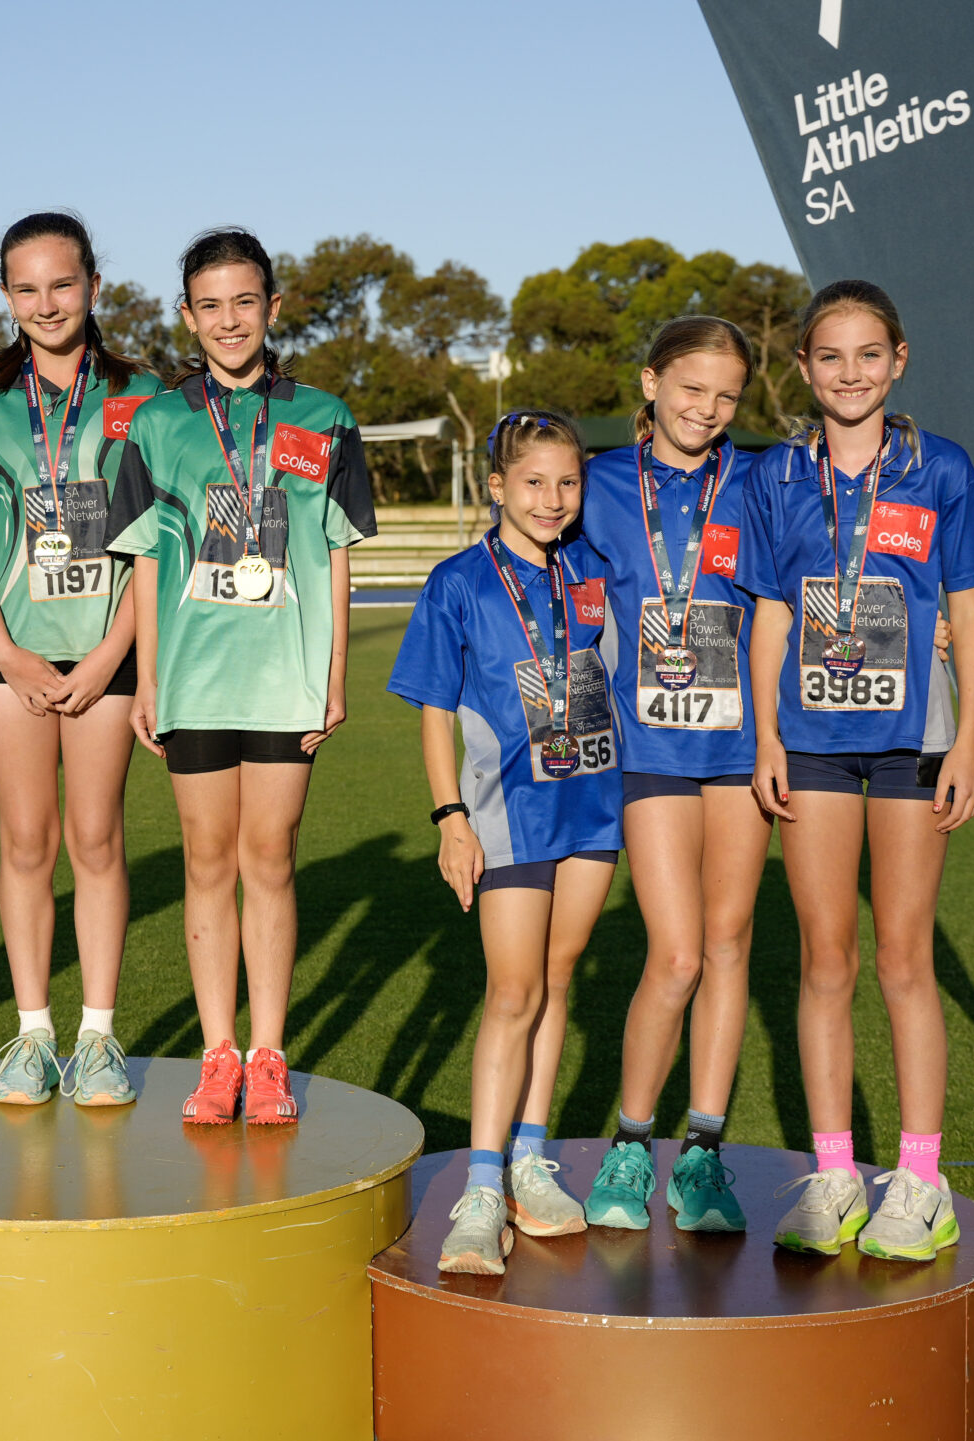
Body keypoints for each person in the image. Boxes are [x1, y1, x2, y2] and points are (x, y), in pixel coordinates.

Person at [739, 279, 974, 1262]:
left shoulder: (942, 468)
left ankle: (920, 1182)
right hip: (808, 742)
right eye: (830, 356)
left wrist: (967, 743)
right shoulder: (775, 474)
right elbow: (769, 611)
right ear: (804, 368)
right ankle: (837, 1171)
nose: (850, 373)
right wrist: (766, 736)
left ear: (899, 360)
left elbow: (968, 613)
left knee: (902, 959)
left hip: (912, 741)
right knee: (824, 959)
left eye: (868, 354)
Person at [108, 228, 377, 1125]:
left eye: (245, 302)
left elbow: (337, 553)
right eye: (211, 305)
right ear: (187, 316)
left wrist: (333, 673)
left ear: (273, 306)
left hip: (283, 677)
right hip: (195, 679)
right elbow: (147, 558)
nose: (230, 321)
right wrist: (148, 680)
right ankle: (217, 1054)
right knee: (207, 859)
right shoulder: (157, 421)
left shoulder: (326, 416)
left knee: (270, 855)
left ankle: (268, 1056)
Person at [0, 213, 162, 1108]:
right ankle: (33, 1036)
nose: (47, 303)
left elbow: (157, 542)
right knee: (26, 840)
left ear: (94, 285)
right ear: (6, 297)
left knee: (96, 838)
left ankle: (97, 1037)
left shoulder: (143, 395)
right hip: (13, 656)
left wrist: (112, 655)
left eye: (63, 283)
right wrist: (6, 652)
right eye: (26, 288)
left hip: (108, 651)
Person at [390, 411, 622, 1272]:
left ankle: (530, 1157)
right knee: (513, 990)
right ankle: (482, 1188)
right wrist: (450, 817)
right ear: (496, 486)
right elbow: (433, 712)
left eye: (567, 482)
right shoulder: (458, 581)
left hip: (593, 805)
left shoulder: (592, 568)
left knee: (557, 980)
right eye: (532, 482)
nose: (552, 499)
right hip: (506, 812)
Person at [574, 317, 770, 1234]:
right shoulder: (599, 481)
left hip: (744, 746)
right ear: (651, 383)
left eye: (728, 395)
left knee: (728, 945)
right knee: (679, 952)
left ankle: (703, 1154)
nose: (709, 408)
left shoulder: (761, 478)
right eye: (692, 387)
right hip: (649, 745)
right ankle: (629, 1141)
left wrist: (934, 621)